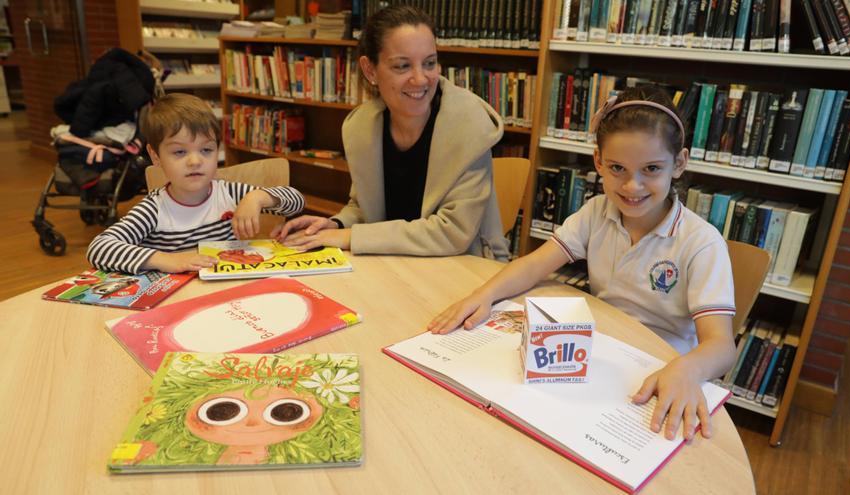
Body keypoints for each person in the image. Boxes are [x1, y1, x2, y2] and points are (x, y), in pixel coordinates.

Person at [429, 86, 737, 443]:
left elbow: (721, 345)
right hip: (600, 360)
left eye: (651, 169)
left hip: (662, 372)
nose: (632, 186)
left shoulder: (701, 243)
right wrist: (485, 294)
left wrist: (687, 369)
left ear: (679, 164)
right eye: (617, 168)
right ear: (598, 162)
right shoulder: (596, 212)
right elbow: (536, 264)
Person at [271, 5, 509, 260]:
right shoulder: (361, 127)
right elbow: (364, 207)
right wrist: (335, 225)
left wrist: (350, 237)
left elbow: (452, 233)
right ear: (370, 70)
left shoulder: (470, 125)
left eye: (429, 63)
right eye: (402, 66)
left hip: (465, 267)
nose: (420, 79)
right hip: (394, 263)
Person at [86, 93, 305, 274]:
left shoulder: (229, 192)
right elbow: (99, 248)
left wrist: (258, 198)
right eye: (180, 152)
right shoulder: (154, 209)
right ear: (156, 156)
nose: (195, 161)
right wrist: (167, 260)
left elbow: (297, 201)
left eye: (206, 150)